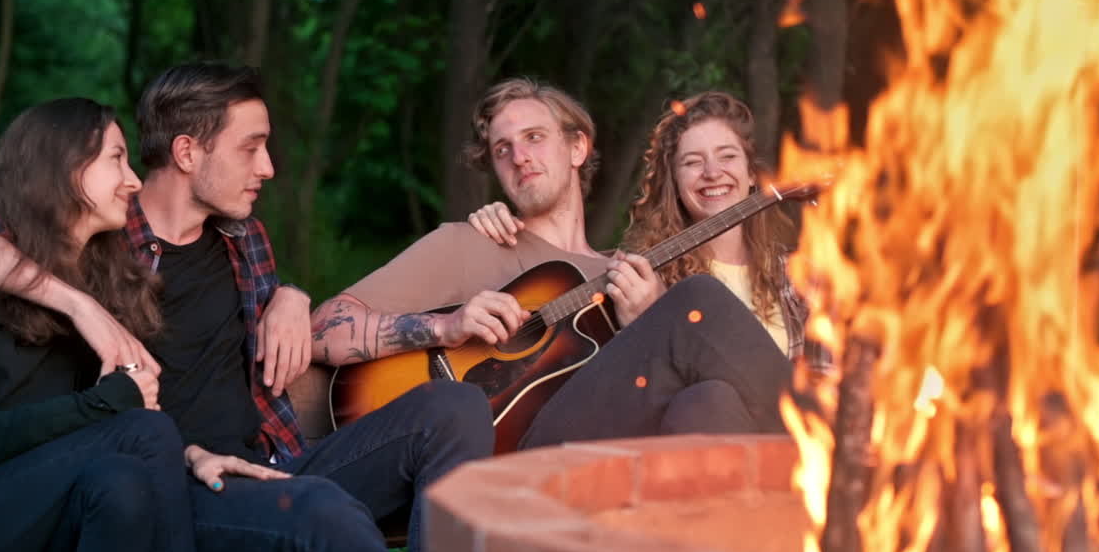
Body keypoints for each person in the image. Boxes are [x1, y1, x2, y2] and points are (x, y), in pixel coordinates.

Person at [0, 63, 492, 552]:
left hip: (264, 465)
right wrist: (81, 306)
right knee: (318, 510)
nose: (268, 167)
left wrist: (292, 295)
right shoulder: (98, 246)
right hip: (176, 486)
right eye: (251, 147)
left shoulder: (243, 240)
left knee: (454, 407)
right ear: (187, 153)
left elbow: (302, 332)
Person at [309, 77, 796, 450]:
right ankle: (821, 463)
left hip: (602, 453)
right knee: (699, 298)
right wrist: (446, 327)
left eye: (535, 137)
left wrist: (648, 318)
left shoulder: (630, 274)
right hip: (512, 451)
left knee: (708, 401)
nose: (520, 157)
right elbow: (322, 330)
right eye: (502, 149)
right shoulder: (466, 242)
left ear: (578, 147)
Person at [0, 98, 197, 552]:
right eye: (116, 158)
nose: (134, 180)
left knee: (120, 485)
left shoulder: (103, 290)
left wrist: (192, 452)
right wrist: (108, 399)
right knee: (144, 431)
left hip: (31, 512)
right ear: (65, 168)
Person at [470, 90, 821, 365]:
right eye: (692, 162)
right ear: (674, 184)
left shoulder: (798, 276)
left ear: (751, 173)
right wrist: (496, 218)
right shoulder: (644, 279)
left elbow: (826, 386)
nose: (713, 173)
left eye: (727, 156)